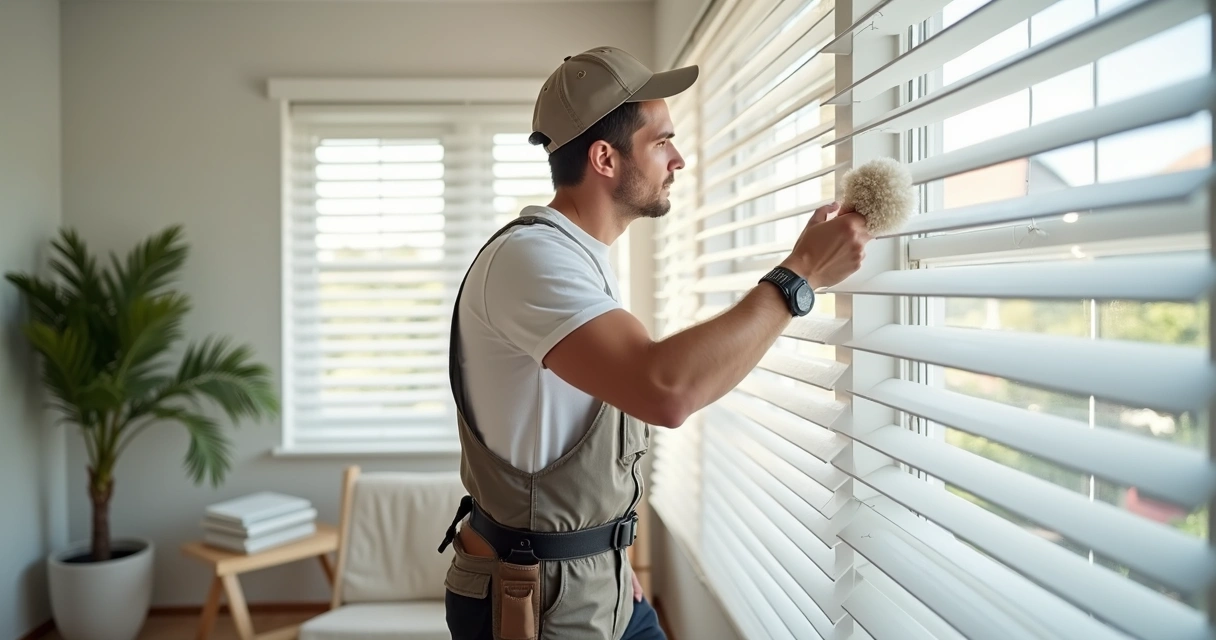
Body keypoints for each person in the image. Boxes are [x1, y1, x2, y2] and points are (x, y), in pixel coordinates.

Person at [438, 46, 870, 640]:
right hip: (536, 602)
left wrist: (607, 555)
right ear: (604, 158)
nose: (680, 159)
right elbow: (664, 390)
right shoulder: (531, 259)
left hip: (600, 584)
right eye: (662, 141)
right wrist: (798, 277)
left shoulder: (581, 261)